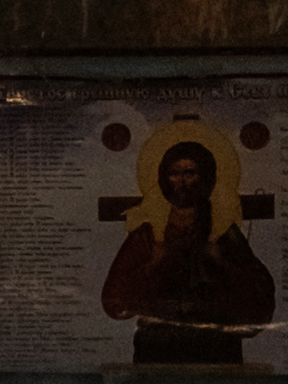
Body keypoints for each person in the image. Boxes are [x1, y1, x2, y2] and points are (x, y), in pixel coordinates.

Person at [100, 133, 276, 368]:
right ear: (164, 178)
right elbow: (114, 302)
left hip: (216, 348)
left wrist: (222, 264)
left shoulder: (223, 233)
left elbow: (260, 301)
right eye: (174, 173)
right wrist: (153, 264)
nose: (182, 181)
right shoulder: (148, 234)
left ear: (204, 177)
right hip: (158, 349)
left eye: (190, 173)